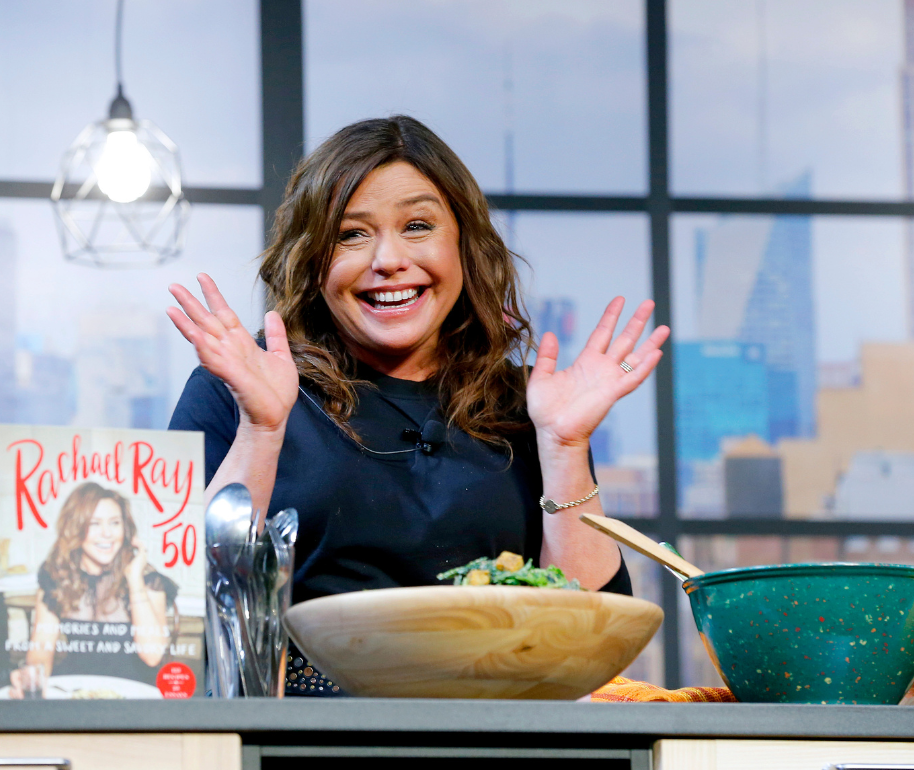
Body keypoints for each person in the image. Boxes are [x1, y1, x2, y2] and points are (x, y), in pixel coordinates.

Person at [167, 115, 668, 695]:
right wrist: (261, 427)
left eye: (418, 225)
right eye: (351, 234)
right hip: (296, 742)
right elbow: (178, 604)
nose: (388, 259)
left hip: (494, 739)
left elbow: (588, 643)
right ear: (312, 259)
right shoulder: (238, 388)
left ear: (463, 245)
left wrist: (564, 445)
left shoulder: (528, 406)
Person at [9, 482, 177, 696]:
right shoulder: (57, 576)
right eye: (94, 524)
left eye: (115, 523)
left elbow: (152, 655)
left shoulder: (148, 580)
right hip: (74, 692)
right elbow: (41, 650)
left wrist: (134, 580)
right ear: (76, 528)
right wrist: (30, 679)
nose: (107, 534)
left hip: (134, 695)